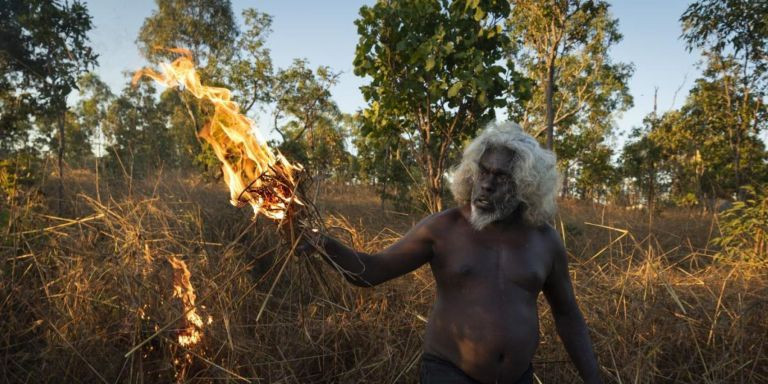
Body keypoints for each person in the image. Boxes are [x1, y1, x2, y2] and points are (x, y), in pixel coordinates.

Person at [301, 121, 602, 384]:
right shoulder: (443, 228)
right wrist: (323, 243)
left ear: (526, 185)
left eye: (501, 177)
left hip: (518, 377)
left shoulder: (545, 241)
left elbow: (567, 314)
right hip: (449, 373)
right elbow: (371, 271)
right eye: (483, 171)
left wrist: (593, 379)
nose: (485, 184)